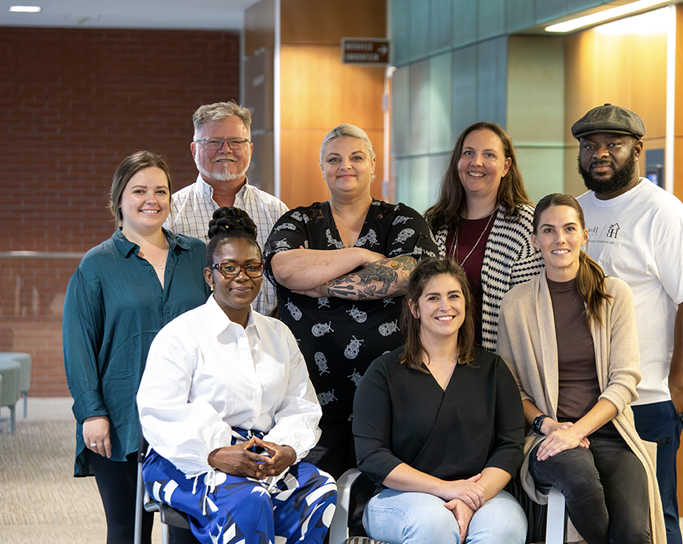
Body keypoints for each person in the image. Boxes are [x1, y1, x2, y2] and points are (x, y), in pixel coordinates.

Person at [137, 208, 336, 544]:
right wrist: (216, 452)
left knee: (322, 492)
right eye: (228, 267)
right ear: (209, 275)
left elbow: (300, 404)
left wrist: (286, 448)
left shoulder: (278, 334)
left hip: (261, 452)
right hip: (186, 453)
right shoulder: (181, 335)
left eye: (252, 267)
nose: (241, 276)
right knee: (248, 499)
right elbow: (160, 412)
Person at [264, 123, 439, 479]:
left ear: (374, 164)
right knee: (317, 504)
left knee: (383, 501)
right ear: (323, 168)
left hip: (392, 394)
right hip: (311, 398)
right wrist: (361, 254)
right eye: (334, 159)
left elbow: (408, 273)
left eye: (356, 157)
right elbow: (284, 268)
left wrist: (324, 284)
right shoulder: (299, 220)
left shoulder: (402, 219)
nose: (346, 166)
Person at [573, 104, 683, 544]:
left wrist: (677, 387)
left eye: (613, 144)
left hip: (646, 397)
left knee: (654, 514)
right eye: (590, 145)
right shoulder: (573, 214)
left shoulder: (665, 214)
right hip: (583, 401)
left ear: (637, 150)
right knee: (602, 521)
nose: (600, 154)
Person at [496, 193, 666, 544]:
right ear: (535, 240)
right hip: (548, 437)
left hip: (611, 434)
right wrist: (550, 426)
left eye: (569, 228)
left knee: (634, 532)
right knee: (581, 481)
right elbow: (511, 388)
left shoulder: (614, 295)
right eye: (548, 230)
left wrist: (579, 430)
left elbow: (624, 380)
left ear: (585, 235)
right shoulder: (516, 304)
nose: (560, 239)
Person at [63, 151, 210, 544]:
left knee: (189, 530)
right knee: (128, 531)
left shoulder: (198, 255)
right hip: (121, 416)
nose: (152, 199)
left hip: (192, 415)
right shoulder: (97, 264)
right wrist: (91, 413)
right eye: (139, 190)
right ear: (119, 200)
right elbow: (78, 346)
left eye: (161, 190)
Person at [353, 258, 527, 544]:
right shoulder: (384, 372)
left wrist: (472, 496)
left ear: (466, 304)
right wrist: (447, 489)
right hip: (403, 497)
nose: (445, 306)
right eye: (433, 298)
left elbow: (510, 445)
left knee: (503, 529)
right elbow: (372, 456)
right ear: (414, 308)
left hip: (481, 491)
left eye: (454, 296)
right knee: (433, 525)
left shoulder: (492, 369)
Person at [424, 121, 542, 352]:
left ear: (506, 166)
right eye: (468, 153)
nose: (476, 162)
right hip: (435, 361)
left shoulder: (527, 225)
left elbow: (530, 312)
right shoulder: (434, 222)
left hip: (497, 363)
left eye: (489, 154)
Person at [165, 100, 288, 316]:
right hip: (194, 344)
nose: (226, 150)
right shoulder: (170, 213)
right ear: (194, 150)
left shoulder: (277, 212)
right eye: (213, 142)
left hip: (264, 341)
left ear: (249, 148)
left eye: (236, 141)